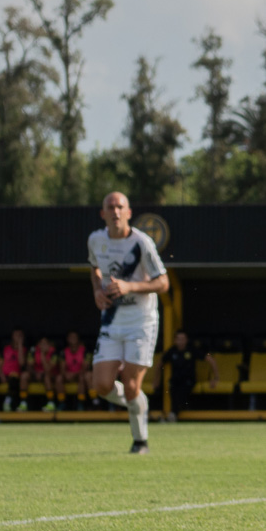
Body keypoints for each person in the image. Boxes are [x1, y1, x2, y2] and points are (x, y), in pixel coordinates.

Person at [87, 191, 170, 454]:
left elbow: (163, 283)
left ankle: (140, 440)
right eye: (110, 207)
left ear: (129, 212)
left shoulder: (142, 243)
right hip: (111, 320)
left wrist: (129, 286)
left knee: (132, 384)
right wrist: (97, 291)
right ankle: (138, 403)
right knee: (101, 385)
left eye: (120, 206)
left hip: (141, 322)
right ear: (103, 214)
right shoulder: (95, 240)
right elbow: (94, 268)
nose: (115, 211)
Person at [157, 331, 215, 419]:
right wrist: (156, 380)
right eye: (178, 339)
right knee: (171, 388)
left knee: (182, 392)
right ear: (175, 340)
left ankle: (172, 414)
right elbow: (160, 363)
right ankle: (170, 414)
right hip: (175, 380)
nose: (181, 342)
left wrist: (215, 378)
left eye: (183, 339)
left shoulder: (191, 349)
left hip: (189, 380)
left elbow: (210, 359)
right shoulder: (172, 350)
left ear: (186, 340)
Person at [0, 328, 29, 411]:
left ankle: (7, 402)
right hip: (3, 376)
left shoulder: (25, 350)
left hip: (16, 377)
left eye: (20, 335)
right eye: (16, 335)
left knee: (14, 378)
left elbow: (21, 363)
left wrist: (20, 345)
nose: (18, 337)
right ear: (12, 336)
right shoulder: (5, 349)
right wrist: (1, 376)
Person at [57, 332, 89, 410]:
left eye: (74, 337)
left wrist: (74, 374)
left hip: (79, 375)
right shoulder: (63, 352)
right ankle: (61, 403)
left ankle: (80, 403)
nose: (73, 339)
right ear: (67, 339)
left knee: (82, 377)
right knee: (59, 378)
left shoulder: (85, 351)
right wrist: (66, 375)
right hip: (67, 376)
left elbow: (85, 368)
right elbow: (62, 368)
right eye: (70, 337)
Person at [30, 336, 59, 411]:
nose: (43, 345)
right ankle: (23, 403)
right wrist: (35, 373)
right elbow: (28, 367)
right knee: (24, 375)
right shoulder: (33, 351)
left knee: (47, 377)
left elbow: (47, 369)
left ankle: (51, 402)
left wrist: (42, 354)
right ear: (38, 344)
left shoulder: (53, 352)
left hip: (51, 376)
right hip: (36, 375)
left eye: (45, 343)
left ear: (49, 345)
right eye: (41, 343)